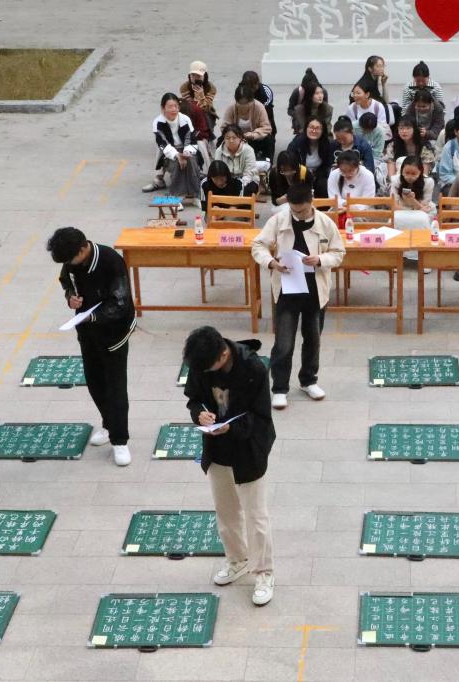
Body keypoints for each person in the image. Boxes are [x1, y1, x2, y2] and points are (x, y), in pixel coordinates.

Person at [182, 326, 276, 606]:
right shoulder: (201, 363)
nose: (203, 372)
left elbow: (261, 417)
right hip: (217, 448)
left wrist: (231, 428)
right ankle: (237, 560)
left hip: (248, 449)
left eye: (208, 368)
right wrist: (200, 414)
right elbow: (193, 399)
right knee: (225, 511)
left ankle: (264, 573)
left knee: (256, 515)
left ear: (223, 355)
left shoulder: (253, 369)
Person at [251, 184, 346, 409]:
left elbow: (339, 253)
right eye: (294, 211)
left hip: (315, 289)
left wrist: (321, 260)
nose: (298, 215)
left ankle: (308, 380)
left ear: (311, 203)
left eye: (302, 211)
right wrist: (271, 262)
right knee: (283, 342)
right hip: (287, 288)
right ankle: (279, 388)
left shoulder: (325, 223)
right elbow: (258, 245)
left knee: (313, 339)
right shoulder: (278, 220)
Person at [48, 227, 136, 466]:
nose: (68, 264)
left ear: (82, 249)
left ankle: (120, 440)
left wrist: (93, 316)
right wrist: (70, 298)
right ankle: (109, 424)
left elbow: (120, 302)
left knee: (116, 386)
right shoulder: (71, 261)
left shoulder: (110, 261)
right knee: (95, 381)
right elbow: (66, 280)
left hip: (114, 332)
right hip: (87, 331)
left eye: (70, 259)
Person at [143, 93, 202, 205]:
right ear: (163, 108)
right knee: (176, 165)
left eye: (176, 106)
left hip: (186, 149)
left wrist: (186, 153)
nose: (174, 109)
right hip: (169, 152)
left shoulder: (185, 119)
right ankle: (176, 197)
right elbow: (162, 143)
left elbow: (191, 139)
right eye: (170, 106)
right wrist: (177, 155)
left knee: (192, 161)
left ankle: (195, 196)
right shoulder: (158, 122)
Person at [221, 84, 274, 162]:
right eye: (240, 103)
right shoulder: (231, 108)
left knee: (269, 140)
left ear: (252, 100)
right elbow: (224, 128)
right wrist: (235, 136)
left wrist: (253, 134)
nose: (243, 106)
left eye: (246, 103)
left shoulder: (259, 107)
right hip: (236, 139)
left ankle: (267, 164)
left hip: (254, 139)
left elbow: (267, 128)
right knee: (220, 141)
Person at [179, 61, 219, 165]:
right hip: (190, 112)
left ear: (205, 76)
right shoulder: (184, 87)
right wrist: (196, 97)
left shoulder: (211, 88)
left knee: (206, 115)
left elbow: (206, 107)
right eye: (193, 75)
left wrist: (200, 95)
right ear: (189, 76)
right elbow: (188, 107)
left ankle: (208, 136)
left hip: (206, 112)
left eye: (199, 76)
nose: (196, 78)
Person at [287, 118, 333, 198]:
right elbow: (290, 161)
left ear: (323, 131)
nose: (314, 131)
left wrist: (315, 175)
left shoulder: (327, 144)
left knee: (323, 184)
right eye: (311, 127)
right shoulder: (297, 143)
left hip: (318, 175)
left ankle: (322, 205)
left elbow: (327, 165)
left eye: (317, 128)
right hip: (300, 174)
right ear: (306, 128)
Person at [390, 156, 436, 232]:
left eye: (414, 174)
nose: (410, 177)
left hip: (420, 208)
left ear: (420, 172)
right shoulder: (395, 180)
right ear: (402, 171)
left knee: (423, 218)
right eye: (407, 173)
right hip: (401, 208)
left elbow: (425, 208)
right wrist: (407, 209)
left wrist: (413, 201)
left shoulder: (428, 182)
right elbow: (394, 205)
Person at [214, 125, 259, 197]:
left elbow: (249, 172)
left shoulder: (248, 150)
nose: (231, 141)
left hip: (247, 180)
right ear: (224, 138)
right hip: (226, 181)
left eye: (234, 138)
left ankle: (236, 203)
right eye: (227, 138)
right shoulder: (219, 151)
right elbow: (217, 171)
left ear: (240, 138)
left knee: (247, 189)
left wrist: (239, 185)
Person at [240, 70, 277, 148]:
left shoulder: (265, 91)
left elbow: (267, 104)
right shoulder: (241, 90)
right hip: (247, 113)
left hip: (264, 110)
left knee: (269, 117)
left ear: (257, 83)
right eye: (249, 88)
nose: (251, 91)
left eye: (253, 88)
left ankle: (271, 136)